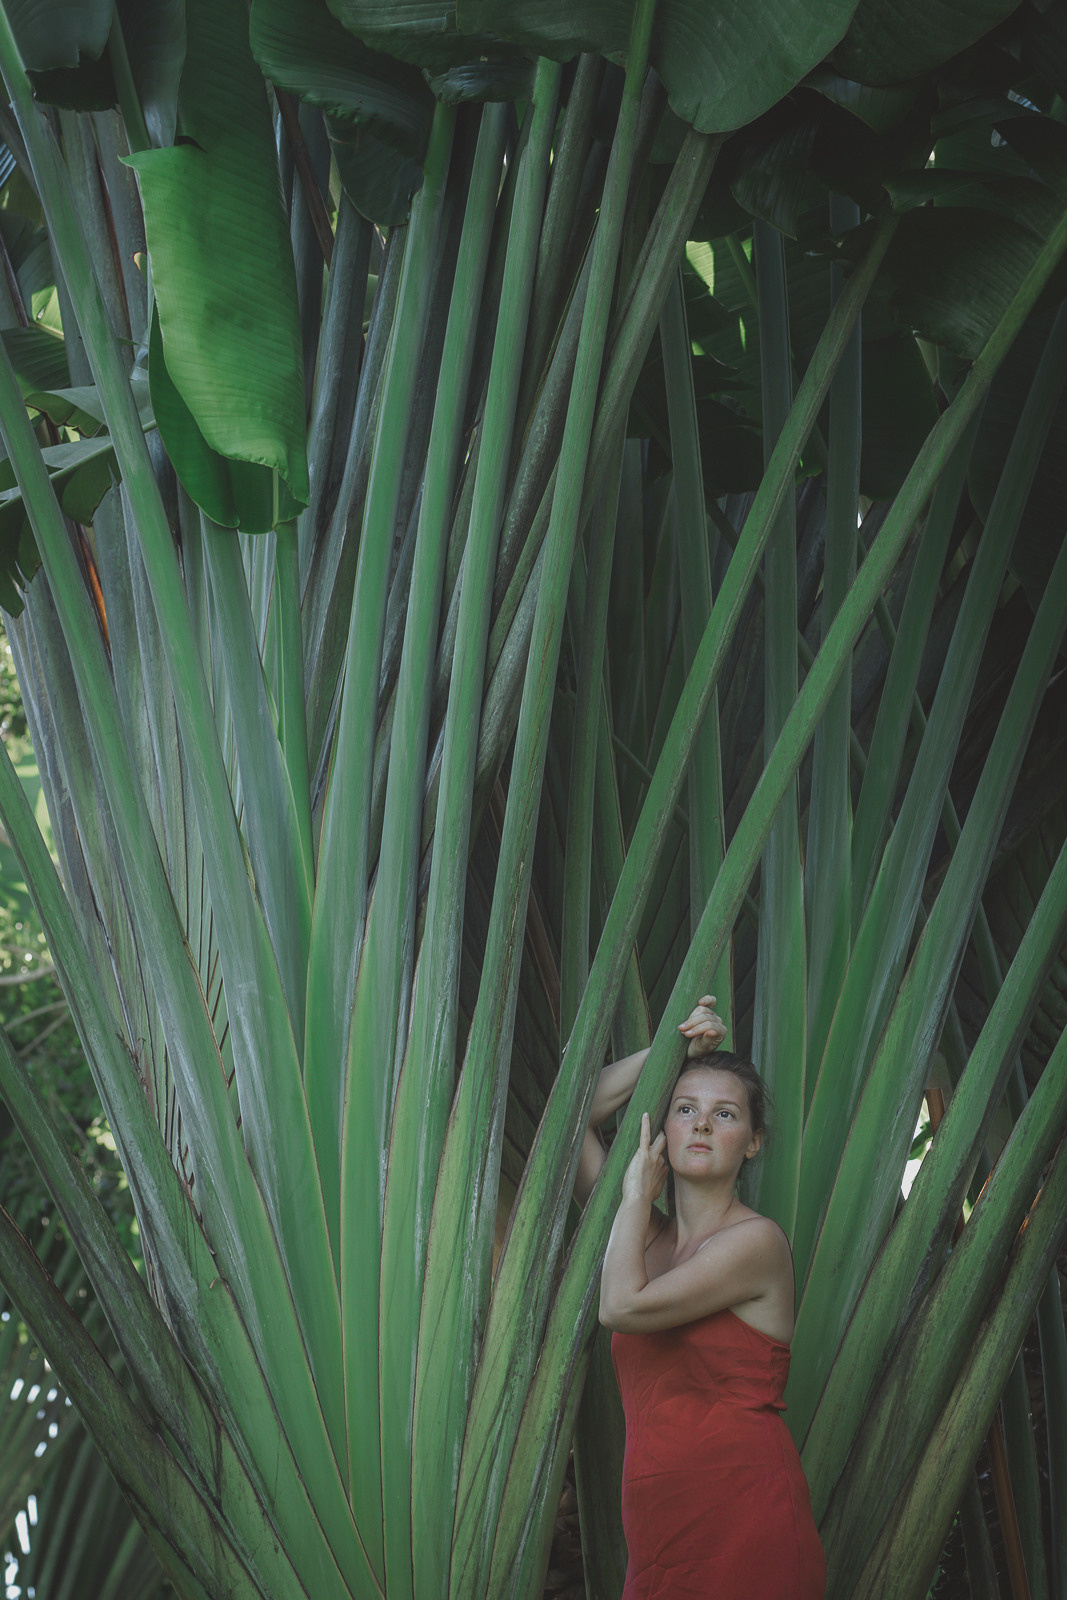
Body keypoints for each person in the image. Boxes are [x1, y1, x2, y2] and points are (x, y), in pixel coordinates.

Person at [576, 998, 826, 1600]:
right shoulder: (645, 1241)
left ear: (753, 1143)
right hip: (660, 1535)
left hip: (747, 1523)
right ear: (664, 1128)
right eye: (685, 1110)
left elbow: (621, 1309)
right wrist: (672, 1049)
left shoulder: (755, 1243)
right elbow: (570, 1118)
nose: (703, 1124)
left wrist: (635, 1196)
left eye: (725, 1113)